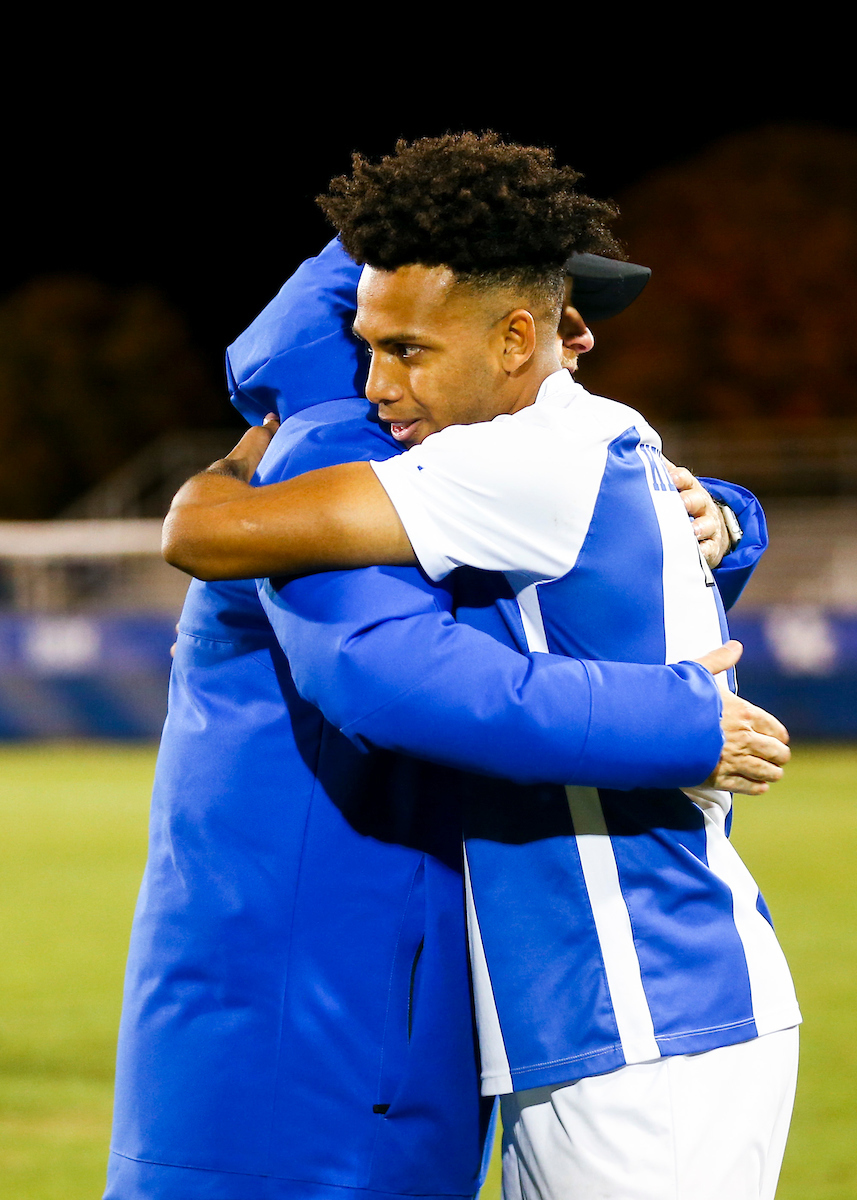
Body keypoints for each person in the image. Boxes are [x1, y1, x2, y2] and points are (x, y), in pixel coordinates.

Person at [106, 170, 786, 1200]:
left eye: (573, 318)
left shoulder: (509, 450)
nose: (581, 343)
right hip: (350, 1017)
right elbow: (391, 675)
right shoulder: (363, 450)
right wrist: (682, 715)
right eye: (562, 318)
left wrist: (730, 517)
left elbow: (587, 539)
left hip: (629, 1010)